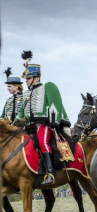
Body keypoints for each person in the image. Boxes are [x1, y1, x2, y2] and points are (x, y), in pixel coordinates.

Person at [13, 51, 71, 185]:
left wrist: (27, 117)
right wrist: (17, 120)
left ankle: (50, 173)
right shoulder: (27, 93)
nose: (26, 81)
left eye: (28, 78)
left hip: (43, 125)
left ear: (36, 78)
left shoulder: (46, 87)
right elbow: (22, 111)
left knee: (42, 141)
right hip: (27, 127)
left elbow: (52, 108)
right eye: (26, 78)